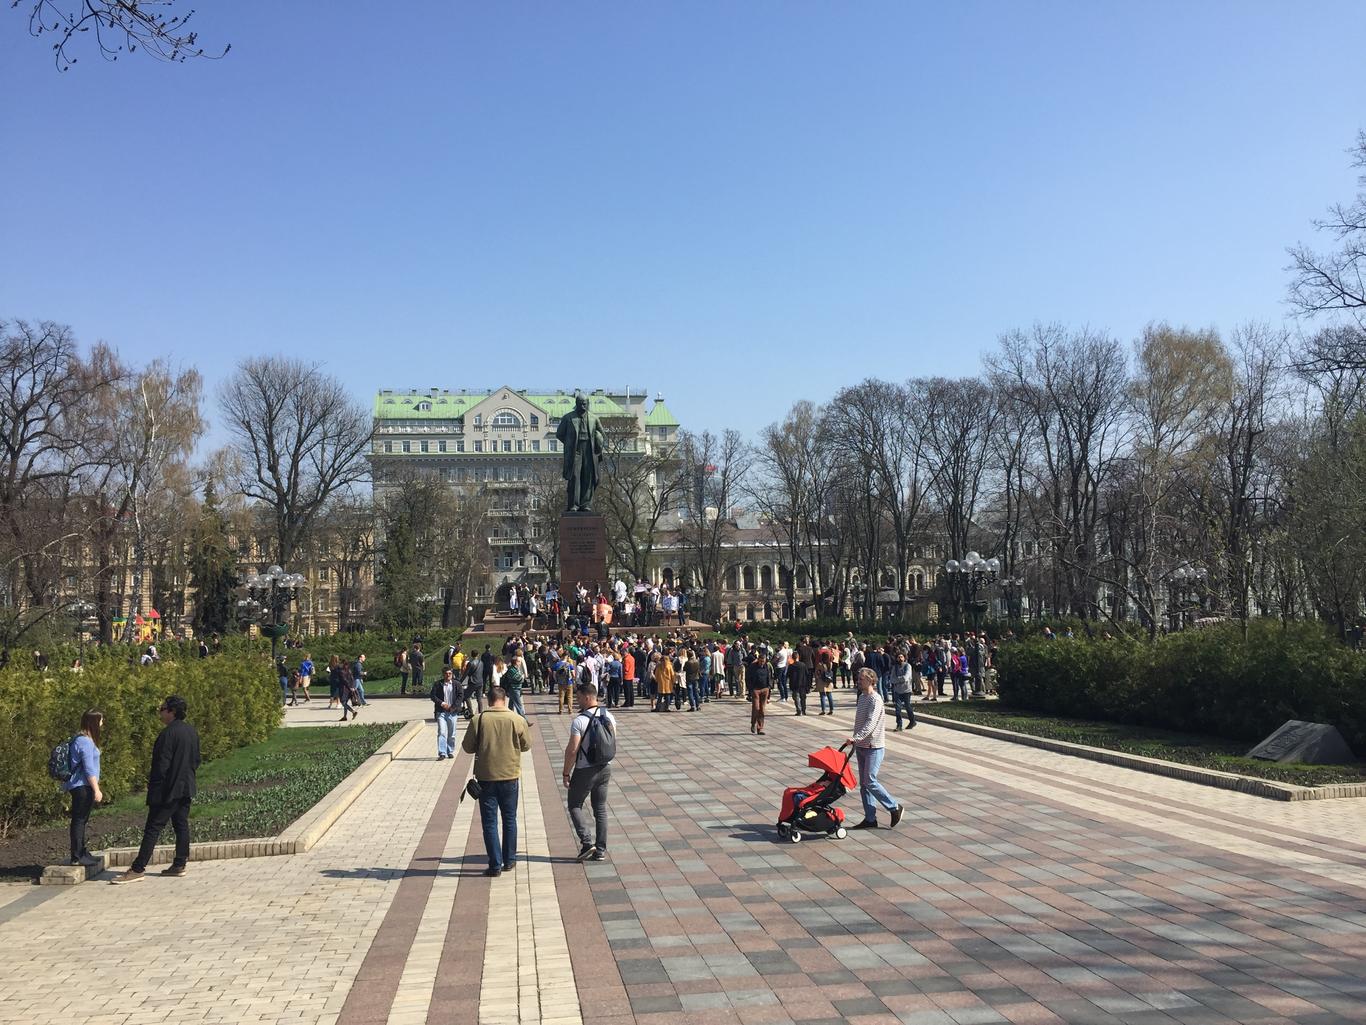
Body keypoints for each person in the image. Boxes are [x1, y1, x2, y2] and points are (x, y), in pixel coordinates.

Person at [113, 695, 202, 882]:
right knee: (181, 825)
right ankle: (179, 863)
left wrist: (155, 788)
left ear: (172, 711)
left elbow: (161, 765)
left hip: (168, 790)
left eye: (162, 709)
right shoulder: (191, 731)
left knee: (153, 828)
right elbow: (196, 760)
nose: (160, 712)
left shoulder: (167, 734)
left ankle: (138, 868)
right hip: (186, 786)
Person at [462, 686, 531, 877]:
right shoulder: (517, 719)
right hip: (510, 775)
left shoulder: (479, 719)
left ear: (488, 700)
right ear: (505, 699)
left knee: (489, 823)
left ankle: (495, 865)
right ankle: (509, 860)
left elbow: (467, 747)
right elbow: (526, 746)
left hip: (486, 777)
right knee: (510, 819)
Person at [562, 681, 616, 862]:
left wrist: (566, 772)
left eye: (578, 698)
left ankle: (586, 842)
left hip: (585, 769)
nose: (577, 701)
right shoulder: (608, 715)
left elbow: (572, 750)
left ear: (587, 697)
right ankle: (601, 850)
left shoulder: (580, 721)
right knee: (600, 808)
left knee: (574, 804)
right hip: (605, 766)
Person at [848, 669, 904, 831]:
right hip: (861, 746)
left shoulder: (875, 699)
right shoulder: (862, 697)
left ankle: (894, 807)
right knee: (864, 784)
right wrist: (856, 740)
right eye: (858, 678)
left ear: (871, 680)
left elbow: (871, 723)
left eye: (861, 679)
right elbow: (859, 721)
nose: (858, 681)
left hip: (874, 746)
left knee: (870, 780)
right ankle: (870, 818)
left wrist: (856, 737)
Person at [65, 709, 105, 868]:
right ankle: (77, 856)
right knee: (79, 820)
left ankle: (82, 852)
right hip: (82, 786)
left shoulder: (85, 740)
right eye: (101, 720)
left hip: (82, 786)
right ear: (94, 722)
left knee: (82, 820)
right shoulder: (85, 741)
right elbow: (89, 768)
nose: (103, 723)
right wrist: (97, 790)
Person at [431, 667, 460, 760]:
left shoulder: (456, 684)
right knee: (442, 732)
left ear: (452, 674)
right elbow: (433, 696)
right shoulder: (438, 684)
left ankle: (450, 751)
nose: (448, 675)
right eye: (446, 673)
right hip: (441, 712)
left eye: (450, 673)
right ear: (443, 674)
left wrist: (453, 707)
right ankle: (442, 753)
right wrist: (442, 703)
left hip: (452, 712)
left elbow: (460, 696)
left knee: (452, 733)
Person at [746, 648, 773, 735]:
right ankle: (753, 723)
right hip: (756, 690)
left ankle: (760, 728)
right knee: (756, 708)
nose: (762, 663)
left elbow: (770, 677)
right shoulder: (753, 667)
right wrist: (750, 689)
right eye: (760, 661)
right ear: (758, 660)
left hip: (765, 689)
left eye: (763, 661)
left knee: (762, 710)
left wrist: (769, 688)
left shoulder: (767, 667)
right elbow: (748, 678)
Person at [891, 653, 917, 731]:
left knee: (907, 707)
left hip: (906, 690)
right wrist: (899, 680)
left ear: (904, 658)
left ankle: (912, 721)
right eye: (898, 657)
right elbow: (892, 679)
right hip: (897, 691)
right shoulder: (894, 667)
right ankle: (899, 725)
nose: (900, 658)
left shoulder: (907, 666)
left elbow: (906, 677)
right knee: (898, 709)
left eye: (901, 657)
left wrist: (897, 680)